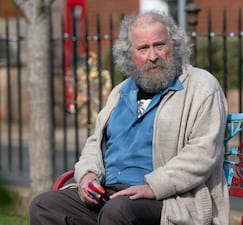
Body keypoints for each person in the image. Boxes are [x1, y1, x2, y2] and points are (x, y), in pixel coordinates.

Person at [30, 10, 229, 225]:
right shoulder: (120, 92)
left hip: (168, 198)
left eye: (160, 45)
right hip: (108, 195)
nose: (153, 56)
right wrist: (87, 175)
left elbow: (202, 153)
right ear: (130, 55)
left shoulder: (201, 86)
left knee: (118, 211)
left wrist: (153, 186)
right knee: (44, 205)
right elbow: (95, 143)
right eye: (143, 48)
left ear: (175, 46)